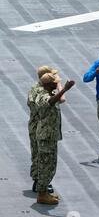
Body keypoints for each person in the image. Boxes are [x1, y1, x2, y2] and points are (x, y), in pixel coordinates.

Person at [35, 73, 75, 204]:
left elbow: (57, 99)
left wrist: (61, 89)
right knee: (46, 165)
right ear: (47, 85)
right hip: (46, 136)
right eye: (54, 83)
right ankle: (42, 194)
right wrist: (64, 89)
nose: (56, 84)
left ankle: (45, 191)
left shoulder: (49, 93)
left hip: (50, 136)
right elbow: (50, 102)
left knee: (51, 165)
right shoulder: (43, 96)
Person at [28, 66, 66, 194]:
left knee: (39, 155)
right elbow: (61, 99)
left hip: (39, 125)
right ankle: (40, 183)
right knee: (42, 156)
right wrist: (62, 86)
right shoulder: (41, 91)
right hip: (41, 125)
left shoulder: (39, 88)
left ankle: (39, 181)